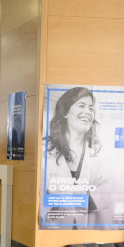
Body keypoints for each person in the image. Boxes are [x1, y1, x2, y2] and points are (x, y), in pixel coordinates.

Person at [43, 86, 108, 227]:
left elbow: (106, 195)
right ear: (65, 112)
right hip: (51, 232)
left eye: (91, 108)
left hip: (85, 234)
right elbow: (35, 195)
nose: (88, 112)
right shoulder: (44, 150)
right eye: (81, 106)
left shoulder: (96, 154)